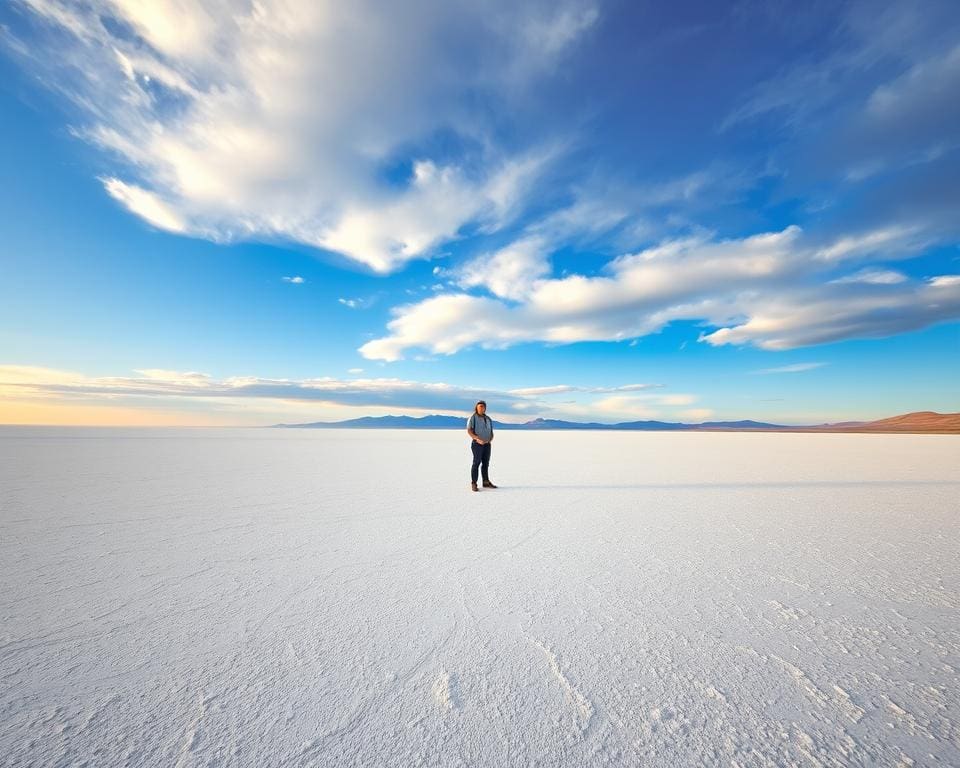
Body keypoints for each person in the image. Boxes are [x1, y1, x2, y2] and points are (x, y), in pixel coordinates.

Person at [466, 400, 497, 492]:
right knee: (476, 463)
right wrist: (477, 439)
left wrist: (491, 437)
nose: (482, 408)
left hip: (487, 444)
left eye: (483, 407)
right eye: (480, 407)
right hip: (477, 444)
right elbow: (469, 431)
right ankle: (474, 483)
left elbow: (490, 430)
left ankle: (486, 482)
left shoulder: (488, 418)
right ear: (476, 408)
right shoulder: (473, 418)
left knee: (486, 464)